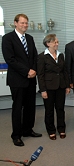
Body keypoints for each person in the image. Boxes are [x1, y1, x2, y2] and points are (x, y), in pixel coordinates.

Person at [1, 13, 42, 147]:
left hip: (31, 78)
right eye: (22, 23)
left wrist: (34, 70)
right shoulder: (8, 38)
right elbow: (10, 59)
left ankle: (27, 130)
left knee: (30, 107)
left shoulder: (29, 38)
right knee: (18, 107)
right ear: (15, 23)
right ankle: (16, 135)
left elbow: (35, 56)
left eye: (26, 23)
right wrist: (26, 71)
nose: (25, 25)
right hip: (17, 79)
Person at [37, 34, 70, 140]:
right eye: (55, 42)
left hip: (61, 86)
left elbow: (65, 71)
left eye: (57, 42)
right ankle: (51, 130)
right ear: (48, 43)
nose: (57, 44)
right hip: (48, 87)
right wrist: (43, 90)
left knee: (60, 109)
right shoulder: (42, 56)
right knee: (49, 110)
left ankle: (61, 128)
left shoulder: (61, 55)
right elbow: (40, 75)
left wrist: (67, 86)